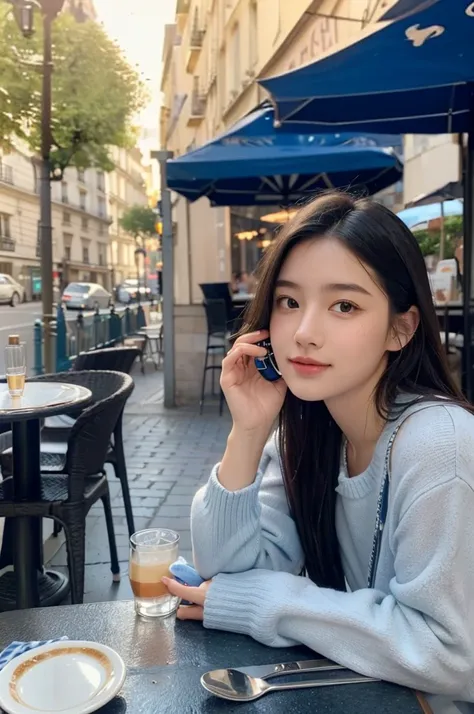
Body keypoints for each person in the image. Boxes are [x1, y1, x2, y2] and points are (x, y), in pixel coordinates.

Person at [163, 192, 474, 714]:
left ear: (401, 327)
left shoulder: (442, 446)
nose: (304, 333)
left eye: (344, 305)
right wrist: (248, 431)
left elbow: (449, 653)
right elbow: (226, 571)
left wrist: (267, 604)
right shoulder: (312, 428)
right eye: (289, 302)